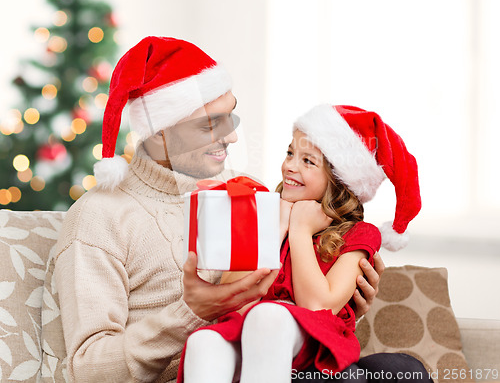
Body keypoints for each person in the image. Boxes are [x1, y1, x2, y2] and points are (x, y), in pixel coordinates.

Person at [54, 37, 382, 383]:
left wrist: (343, 307)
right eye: (210, 124)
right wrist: (190, 313)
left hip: (275, 366)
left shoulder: (248, 188)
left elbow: (300, 295)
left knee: (400, 370)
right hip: (199, 369)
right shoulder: (100, 217)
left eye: (231, 116)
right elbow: (87, 371)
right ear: (161, 133)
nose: (232, 137)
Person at [178, 104, 430, 383]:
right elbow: (233, 302)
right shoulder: (263, 212)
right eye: (289, 153)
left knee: (268, 316)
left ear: (339, 180)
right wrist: (276, 231)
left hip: (310, 343)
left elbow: (317, 306)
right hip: (248, 335)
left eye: (308, 161)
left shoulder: (360, 234)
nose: (290, 166)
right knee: (204, 342)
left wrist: (299, 228)